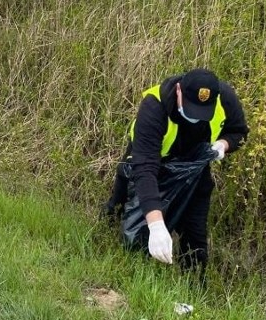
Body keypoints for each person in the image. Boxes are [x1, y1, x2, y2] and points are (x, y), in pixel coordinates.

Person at [105, 68, 249, 270]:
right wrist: (155, 226)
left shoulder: (225, 98)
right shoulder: (154, 106)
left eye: (202, 112)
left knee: (195, 235)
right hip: (150, 160)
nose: (196, 117)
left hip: (194, 172)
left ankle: (193, 288)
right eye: (191, 109)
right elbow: (145, 168)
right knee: (119, 210)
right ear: (179, 90)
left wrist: (223, 145)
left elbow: (239, 133)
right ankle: (111, 260)